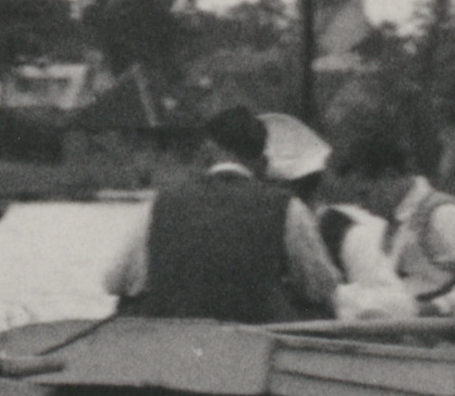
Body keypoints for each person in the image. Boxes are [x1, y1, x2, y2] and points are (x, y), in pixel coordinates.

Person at [93, 106, 343, 322]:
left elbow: (112, 282)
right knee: (321, 307)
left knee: (126, 302)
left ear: (208, 154)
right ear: (263, 163)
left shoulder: (159, 204)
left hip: (173, 341)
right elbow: (321, 286)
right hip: (252, 344)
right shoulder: (287, 206)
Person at [333, 127, 455, 320]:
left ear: (390, 176)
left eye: (364, 194)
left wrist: (439, 308)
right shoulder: (394, 224)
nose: (360, 205)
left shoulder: (442, 215)